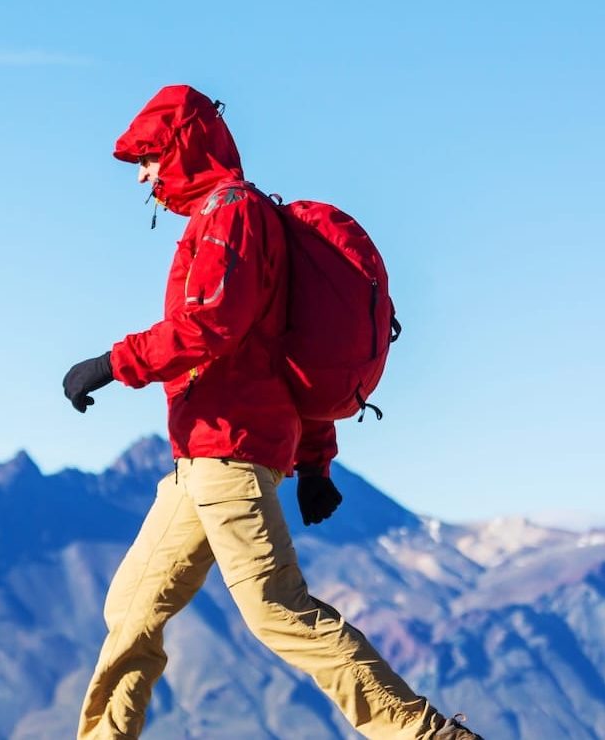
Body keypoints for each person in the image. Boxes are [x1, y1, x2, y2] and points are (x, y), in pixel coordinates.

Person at [61, 84, 480, 740]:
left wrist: (111, 364)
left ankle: (428, 736)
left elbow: (210, 327)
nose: (141, 175)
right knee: (132, 606)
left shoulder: (232, 216)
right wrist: (315, 463)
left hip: (228, 450)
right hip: (203, 455)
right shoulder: (229, 216)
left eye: (146, 157)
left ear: (178, 148)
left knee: (276, 611)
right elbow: (282, 350)